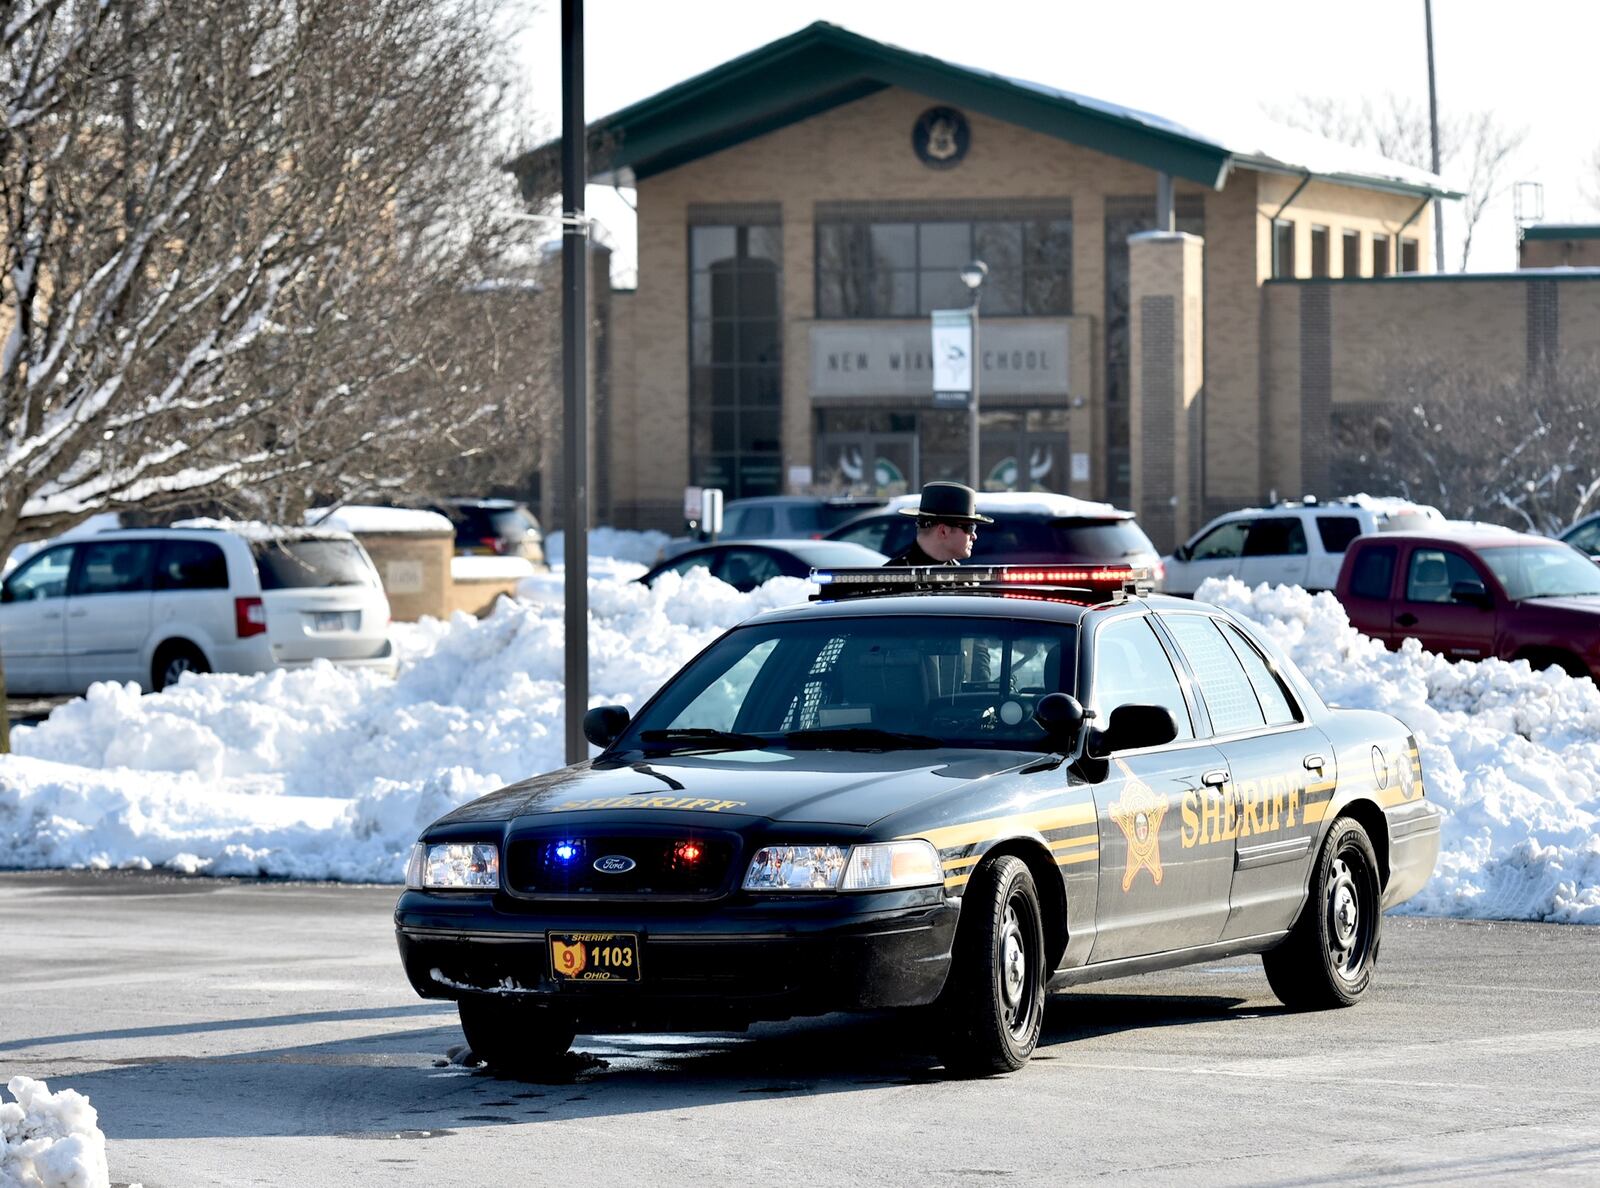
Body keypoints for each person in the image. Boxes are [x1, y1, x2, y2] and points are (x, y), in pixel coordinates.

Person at [883, 481, 992, 567]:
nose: (974, 536)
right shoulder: (889, 580)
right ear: (943, 531)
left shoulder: (964, 580)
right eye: (970, 528)